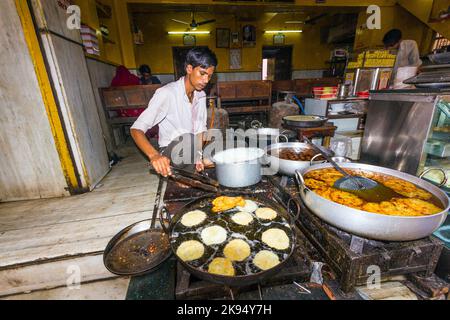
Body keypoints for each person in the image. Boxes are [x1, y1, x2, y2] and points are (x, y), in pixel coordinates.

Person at [130, 47, 218, 177]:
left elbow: (200, 130)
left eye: (209, 76)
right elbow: (136, 129)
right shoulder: (167, 93)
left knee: (220, 151)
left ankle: (191, 170)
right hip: (172, 153)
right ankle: (183, 173)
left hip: (191, 150)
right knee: (188, 140)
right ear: (189, 69)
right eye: (202, 73)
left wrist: (198, 155)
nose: (206, 80)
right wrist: (154, 156)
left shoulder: (201, 95)